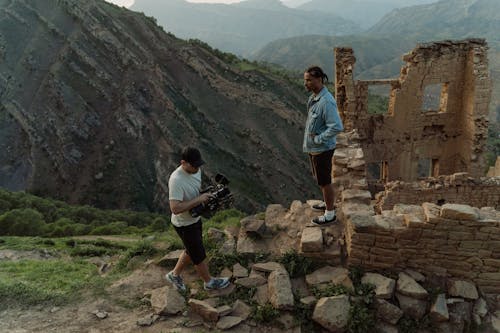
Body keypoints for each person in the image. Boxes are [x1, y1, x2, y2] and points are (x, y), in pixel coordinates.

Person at [166, 147, 230, 291]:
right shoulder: (176, 180)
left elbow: (194, 191)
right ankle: (209, 282)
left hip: (194, 219)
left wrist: (205, 196)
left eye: (198, 165)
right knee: (199, 255)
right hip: (184, 224)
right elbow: (175, 208)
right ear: (183, 162)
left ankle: (174, 275)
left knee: (191, 250)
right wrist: (199, 199)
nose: (197, 168)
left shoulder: (196, 170)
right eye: (194, 165)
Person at [302, 65, 344, 226]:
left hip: (322, 149)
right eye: (305, 80)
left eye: (308, 80)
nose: (305, 83)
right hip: (314, 148)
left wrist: (319, 139)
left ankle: (330, 214)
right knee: (321, 180)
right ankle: (328, 204)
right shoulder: (314, 97)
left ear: (318, 80)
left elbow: (336, 126)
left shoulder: (326, 102)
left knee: (324, 181)